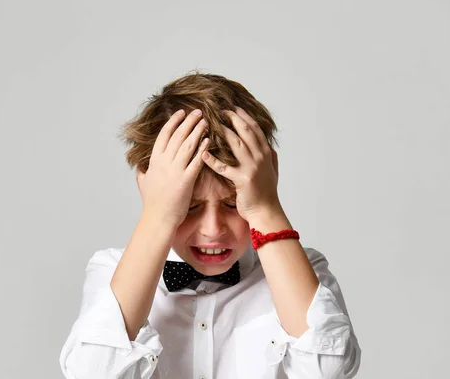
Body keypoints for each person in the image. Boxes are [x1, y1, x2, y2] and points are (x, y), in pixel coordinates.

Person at [59, 72, 361, 379]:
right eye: (189, 207)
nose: (213, 230)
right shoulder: (111, 271)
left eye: (233, 204)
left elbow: (330, 370)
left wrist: (265, 208)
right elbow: (93, 373)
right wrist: (158, 216)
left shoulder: (305, 270)